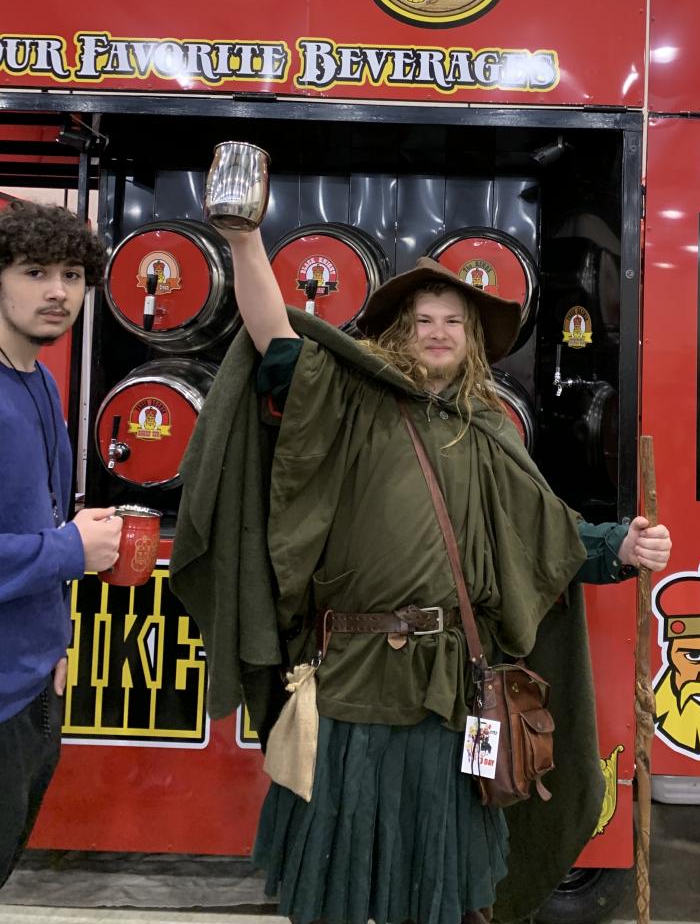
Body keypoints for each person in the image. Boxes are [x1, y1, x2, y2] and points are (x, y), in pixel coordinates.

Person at [171, 223, 671, 924]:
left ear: (473, 339)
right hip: (352, 678)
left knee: (441, 882)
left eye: (453, 322)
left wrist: (621, 546)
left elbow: (545, 534)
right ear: (398, 332)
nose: (438, 333)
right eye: (423, 320)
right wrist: (245, 242)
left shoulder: (485, 430)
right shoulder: (348, 402)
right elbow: (275, 342)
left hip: (452, 685)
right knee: (340, 874)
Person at [0, 200, 123, 887]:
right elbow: (54, 544)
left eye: (72, 275)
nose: (57, 291)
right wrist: (73, 552)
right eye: (34, 271)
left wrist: (55, 641)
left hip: (31, 686)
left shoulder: (41, 382)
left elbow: (39, 522)